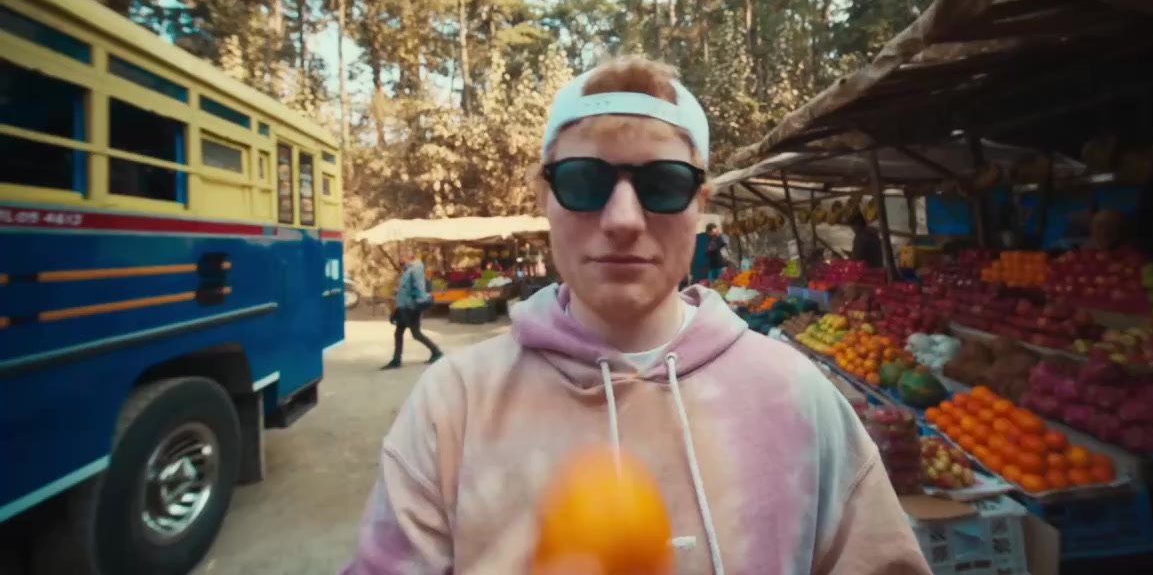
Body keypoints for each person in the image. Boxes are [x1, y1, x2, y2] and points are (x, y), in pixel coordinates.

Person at [343, 56, 928, 574]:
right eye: (584, 181)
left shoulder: (797, 397)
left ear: (700, 206)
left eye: (663, 185)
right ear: (544, 198)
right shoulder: (456, 406)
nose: (623, 219)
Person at [383, 252, 444, 371]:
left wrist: (419, 302)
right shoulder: (408, 270)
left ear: (408, 257)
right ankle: (396, 360)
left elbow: (419, 287)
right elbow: (408, 287)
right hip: (404, 306)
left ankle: (436, 352)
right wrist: (398, 292)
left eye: (402, 256)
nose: (400, 258)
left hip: (411, 307)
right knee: (400, 333)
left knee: (415, 333)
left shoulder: (416, 269)